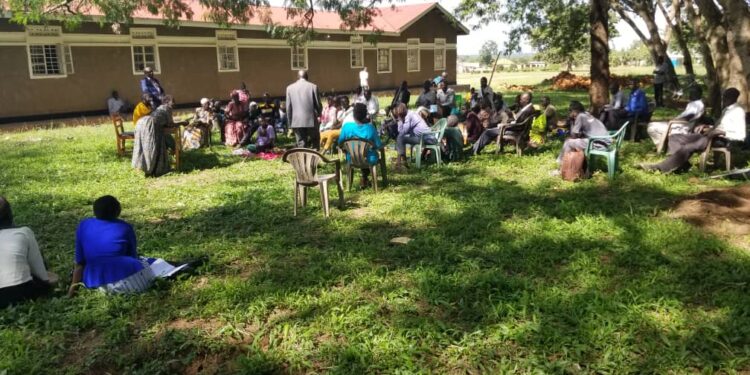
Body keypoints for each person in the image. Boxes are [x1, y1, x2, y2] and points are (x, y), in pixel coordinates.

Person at [641, 88, 746, 174]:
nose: (723, 99)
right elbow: (721, 125)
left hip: (721, 139)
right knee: (675, 137)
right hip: (709, 135)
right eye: (723, 97)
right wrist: (708, 126)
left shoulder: (738, 111)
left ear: (734, 98)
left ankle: (661, 168)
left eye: (726, 97)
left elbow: (741, 135)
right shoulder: (727, 109)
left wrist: (721, 132)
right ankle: (681, 164)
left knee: (688, 147)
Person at [0, 197, 54, 308]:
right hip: (18, 292)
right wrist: (46, 284)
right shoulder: (23, 232)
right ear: (9, 213)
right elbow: (40, 273)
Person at [132, 95, 182, 177]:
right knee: (152, 147)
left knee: (146, 147)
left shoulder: (160, 108)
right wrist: (182, 123)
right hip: (149, 124)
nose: (174, 104)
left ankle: (148, 169)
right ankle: (154, 170)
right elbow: (171, 124)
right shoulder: (167, 108)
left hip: (141, 123)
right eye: (172, 102)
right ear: (166, 102)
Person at [338, 103, 383, 188]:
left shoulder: (346, 127)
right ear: (365, 115)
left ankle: (363, 179)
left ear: (353, 115)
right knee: (369, 154)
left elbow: (340, 143)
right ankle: (364, 178)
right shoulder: (370, 128)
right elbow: (378, 145)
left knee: (361, 154)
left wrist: (345, 149)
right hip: (369, 159)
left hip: (352, 158)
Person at [286, 70, 322, 149]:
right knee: (315, 141)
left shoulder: (289, 88)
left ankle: (303, 160)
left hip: (297, 120)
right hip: (311, 119)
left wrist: (290, 124)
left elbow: (288, 107)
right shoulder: (313, 86)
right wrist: (320, 115)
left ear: (297, 77)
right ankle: (314, 159)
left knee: (301, 143)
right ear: (307, 77)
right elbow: (318, 104)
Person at [392, 104, 435, 171]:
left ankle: (402, 163)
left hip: (426, 139)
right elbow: (403, 132)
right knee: (400, 138)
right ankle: (401, 162)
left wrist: (399, 121)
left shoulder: (409, 116)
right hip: (423, 138)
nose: (396, 116)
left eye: (397, 114)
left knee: (400, 138)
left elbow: (402, 132)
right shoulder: (410, 113)